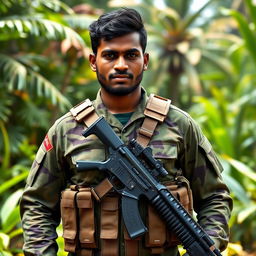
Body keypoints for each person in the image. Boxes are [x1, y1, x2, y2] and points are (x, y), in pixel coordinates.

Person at [20, 8, 232, 256]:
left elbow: (215, 197)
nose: (121, 65)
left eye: (131, 54)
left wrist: (209, 246)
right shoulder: (66, 130)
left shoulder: (179, 125)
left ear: (145, 60)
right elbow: (37, 205)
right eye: (110, 55)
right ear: (93, 61)